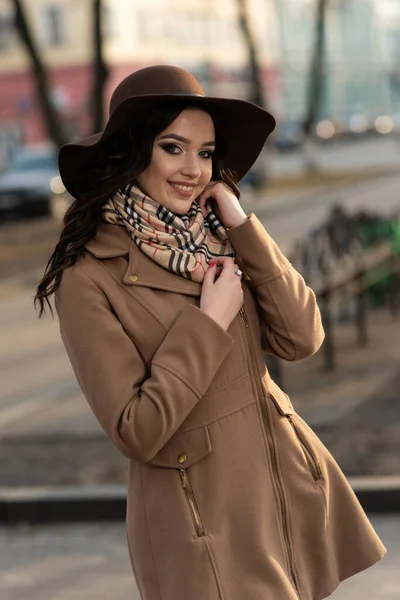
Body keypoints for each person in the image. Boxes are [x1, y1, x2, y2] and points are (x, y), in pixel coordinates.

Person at [34, 65, 385, 600]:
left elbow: (302, 337)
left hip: (284, 496)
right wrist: (207, 322)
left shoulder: (220, 242)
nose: (192, 169)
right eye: (173, 148)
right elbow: (136, 428)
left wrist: (243, 226)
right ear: (133, 151)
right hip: (203, 528)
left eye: (204, 152)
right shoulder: (89, 277)